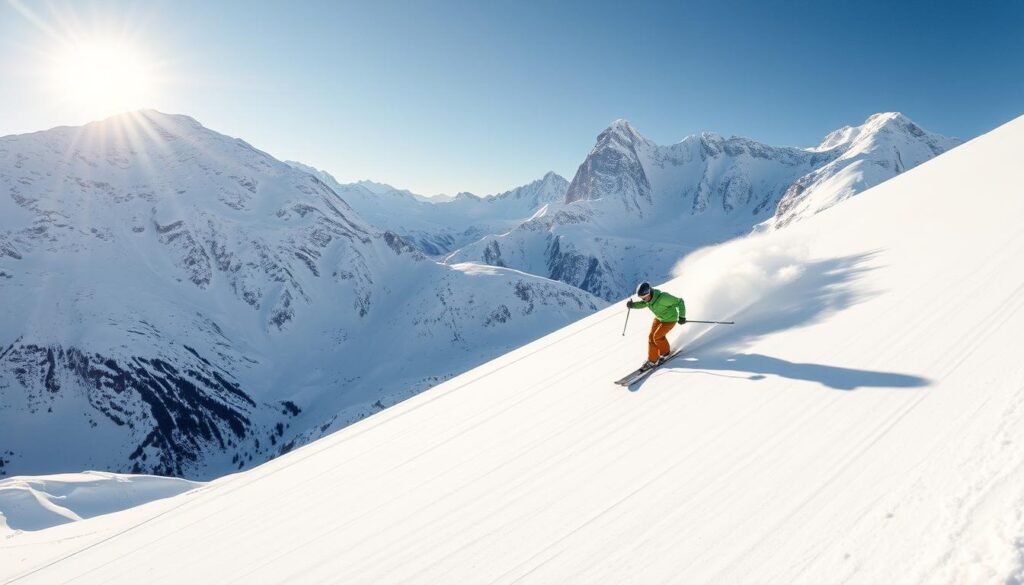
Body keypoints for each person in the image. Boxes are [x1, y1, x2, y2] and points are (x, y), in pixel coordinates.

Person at [626, 281, 686, 371]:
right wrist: (633, 305)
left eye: (644, 297)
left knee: (657, 337)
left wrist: (682, 316)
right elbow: (643, 304)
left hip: (669, 320)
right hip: (659, 318)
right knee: (651, 337)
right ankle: (652, 360)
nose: (644, 299)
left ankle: (665, 353)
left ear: (649, 292)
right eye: (642, 298)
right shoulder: (648, 299)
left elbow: (680, 302)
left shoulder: (664, 298)